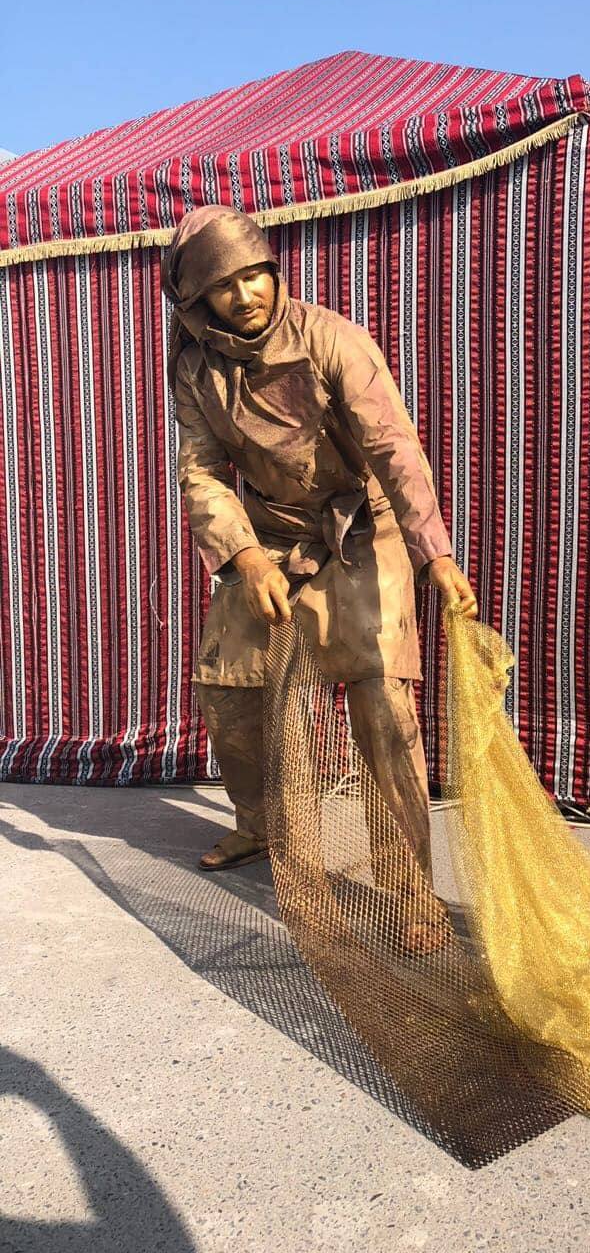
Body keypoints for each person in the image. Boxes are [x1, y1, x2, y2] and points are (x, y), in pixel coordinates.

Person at [163, 205, 477, 953]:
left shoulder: (333, 339)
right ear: (198, 298)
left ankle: (408, 888)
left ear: (274, 271)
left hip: (362, 530)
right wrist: (245, 557)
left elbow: (393, 447)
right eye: (223, 286)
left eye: (254, 276)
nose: (244, 296)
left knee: (382, 708)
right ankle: (259, 825)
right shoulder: (196, 367)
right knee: (231, 690)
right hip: (268, 538)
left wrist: (434, 553)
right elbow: (201, 472)